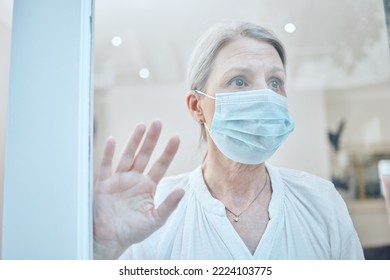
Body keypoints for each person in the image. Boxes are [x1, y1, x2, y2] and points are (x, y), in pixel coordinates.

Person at [93, 21, 364, 260]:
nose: (265, 95)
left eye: (274, 82)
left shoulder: (321, 200)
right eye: (239, 81)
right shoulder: (153, 209)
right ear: (197, 106)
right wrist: (104, 252)